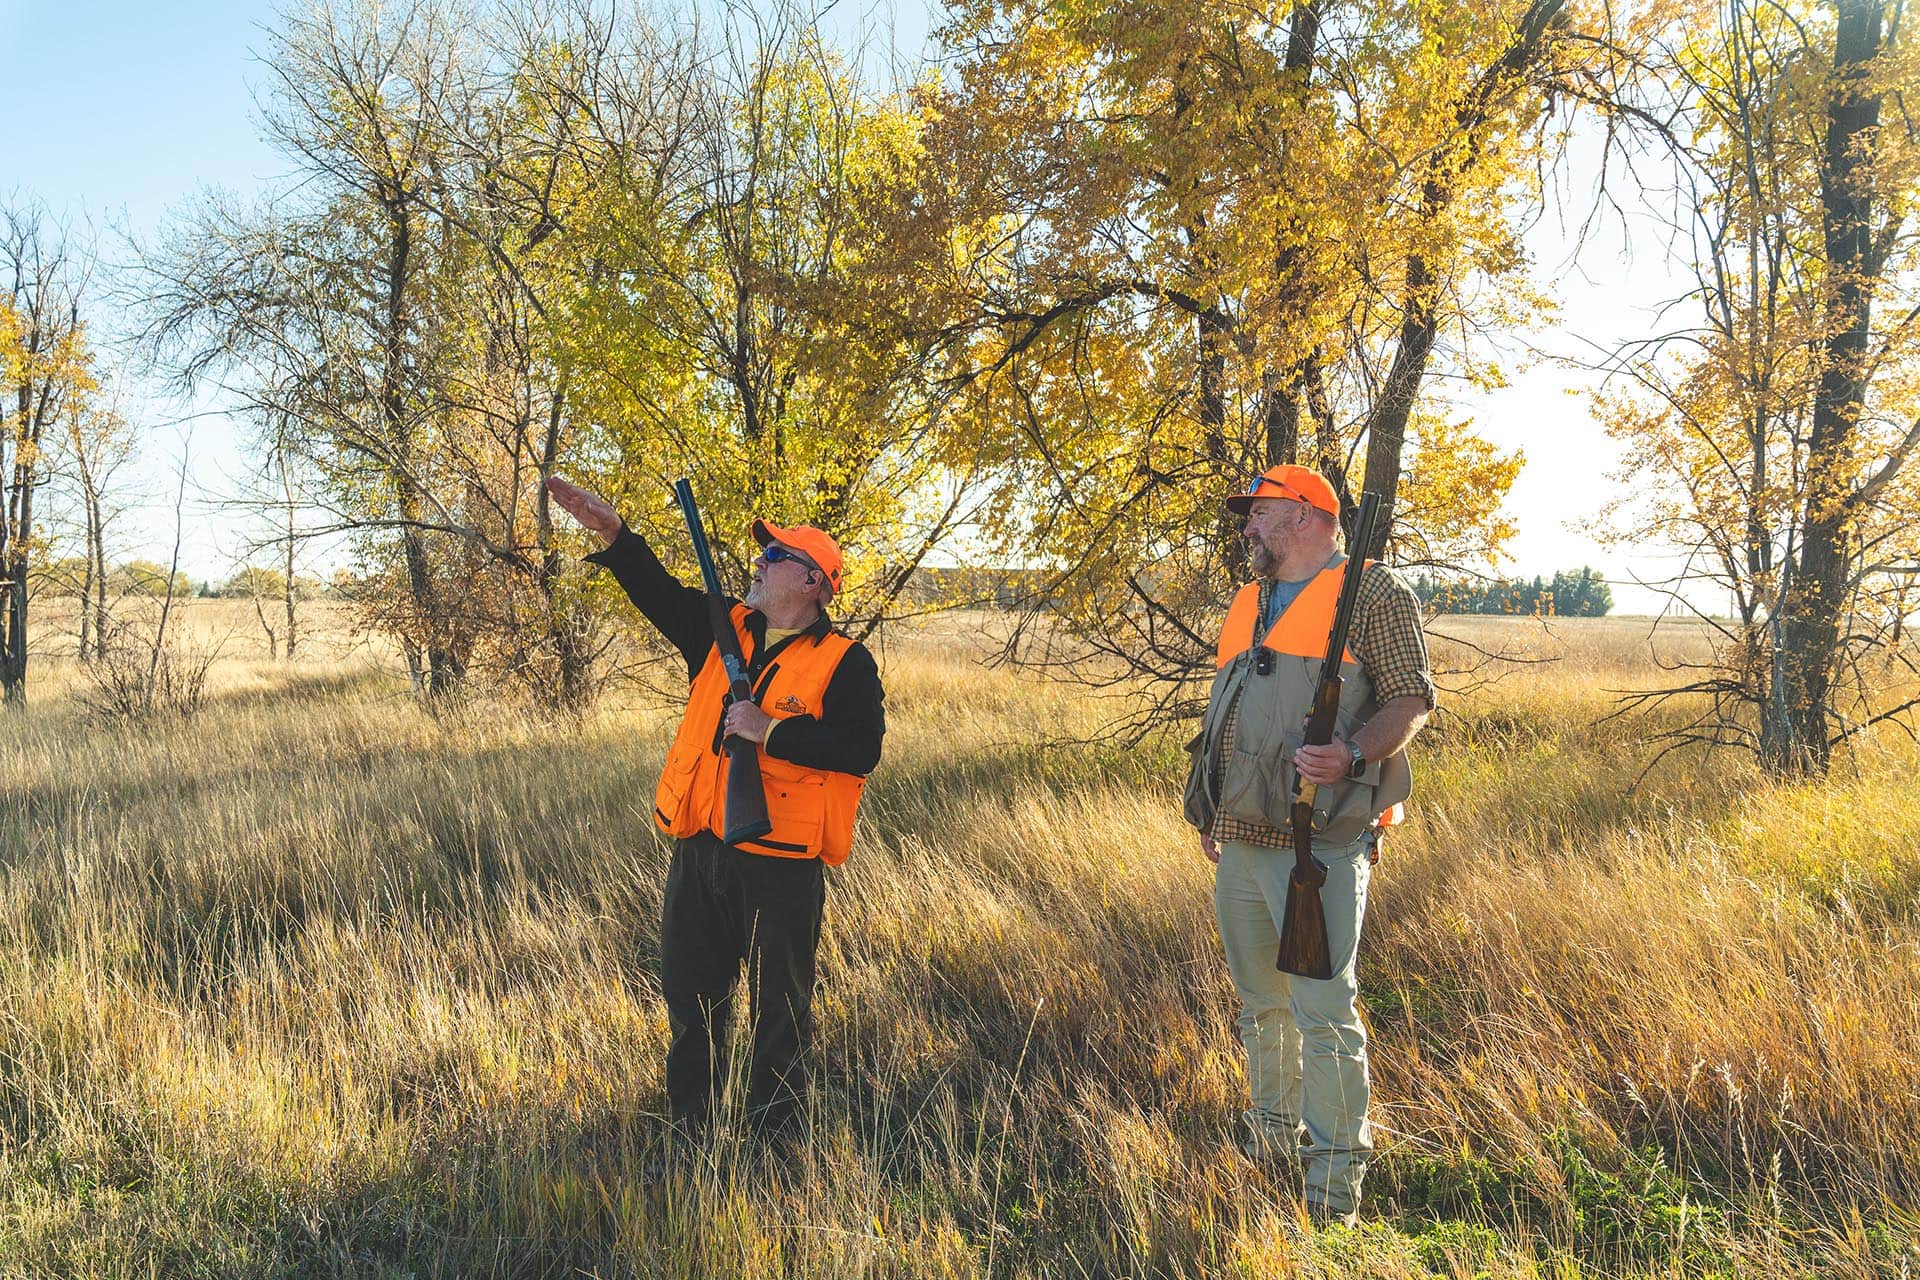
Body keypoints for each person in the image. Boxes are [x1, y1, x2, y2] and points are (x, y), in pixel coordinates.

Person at [546, 475, 885, 1144]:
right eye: (763, 553)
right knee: (691, 997)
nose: (759, 561)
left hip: (781, 866)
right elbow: (659, 593)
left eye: (776, 556)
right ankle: (691, 1136)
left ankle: (775, 1146)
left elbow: (860, 749)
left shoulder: (845, 662)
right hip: (699, 849)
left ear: (814, 583)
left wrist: (770, 730)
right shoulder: (723, 628)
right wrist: (615, 536)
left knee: (780, 1011)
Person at [1182, 464, 1434, 1226]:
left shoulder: (1373, 593)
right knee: (1262, 1007)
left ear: (1303, 516)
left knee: (1324, 1016)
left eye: (1259, 513)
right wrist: (1209, 806)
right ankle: (1270, 1149)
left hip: (1317, 847)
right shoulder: (1249, 601)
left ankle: (1332, 1192)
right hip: (1240, 840)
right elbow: (1227, 712)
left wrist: (1352, 754)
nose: (1248, 527)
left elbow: (1413, 697)